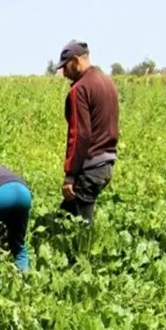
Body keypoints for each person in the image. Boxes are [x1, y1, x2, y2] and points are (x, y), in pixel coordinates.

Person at [54, 40, 119, 222]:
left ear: (75, 61)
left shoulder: (80, 89)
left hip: (90, 166)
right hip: (106, 163)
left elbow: (80, 135)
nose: (64, 73)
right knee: (63, 218)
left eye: (65, 67)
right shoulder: (107, 82)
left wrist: (70, 175)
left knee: (80, 228)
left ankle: (85, 250)